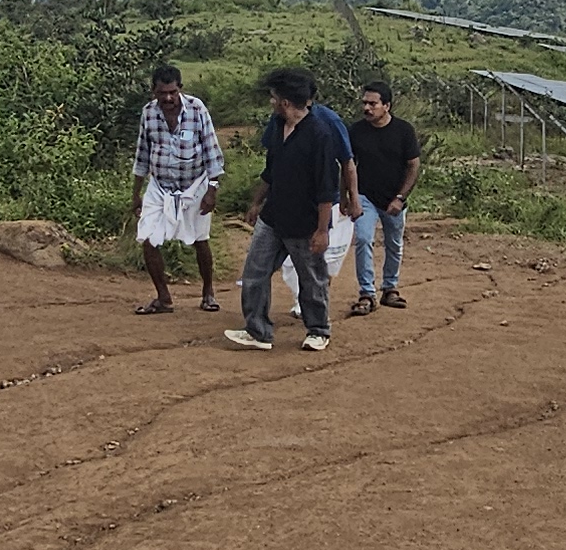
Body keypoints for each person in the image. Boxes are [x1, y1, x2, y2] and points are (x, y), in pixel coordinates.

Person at [227, 67, 341, 353]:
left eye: (274, 97)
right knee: (255, 271)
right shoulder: (277, 126)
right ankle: (258, 331)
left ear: (286, 102)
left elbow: (326, 189)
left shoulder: (320, 135)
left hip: (304, 221)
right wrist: (256, 203)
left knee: (311, 278)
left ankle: (318, 330)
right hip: (273, 215)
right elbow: (271, 170)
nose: (271, 102)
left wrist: (321, 229)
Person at [131, 64, 226, 315]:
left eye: (172, 92)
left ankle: (208, 293)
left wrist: (212, 189)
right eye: (162, 93)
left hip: (194, 184)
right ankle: (164, 298)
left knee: (200, 240)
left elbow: (212, 152)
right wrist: (136, 195)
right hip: (160, 185)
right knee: (149, 239)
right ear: (154, 92)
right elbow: (142, 155)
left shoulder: (197, 109)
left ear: (180, 89)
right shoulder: (148, 114)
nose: (168, 98)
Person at [345, 82, 425, 316]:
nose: (367, 108)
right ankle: (367, 293)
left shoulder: (403, 131)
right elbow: (348, 165)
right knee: (363, 239)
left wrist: (400, 197)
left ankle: (390, 288)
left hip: (394, 198)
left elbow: (413, 166)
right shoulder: (356, 131)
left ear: (386, 106)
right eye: (364, 103)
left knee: (394, 245)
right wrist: (348, 197)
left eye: (373, 104)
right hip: (365, 197)